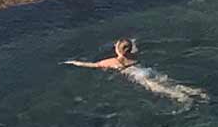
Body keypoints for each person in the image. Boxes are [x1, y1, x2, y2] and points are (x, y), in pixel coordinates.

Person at [65, 38, 208, 106]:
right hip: (147, 70)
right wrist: (133, 41)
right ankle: (197, 92)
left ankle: (185, 99)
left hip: (138, 76)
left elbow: (93, 65)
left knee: (165, 90)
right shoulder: (134, 55)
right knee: (170, 83)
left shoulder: (114, 62)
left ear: (117, 50)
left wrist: (75, 62)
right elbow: (134, 48)